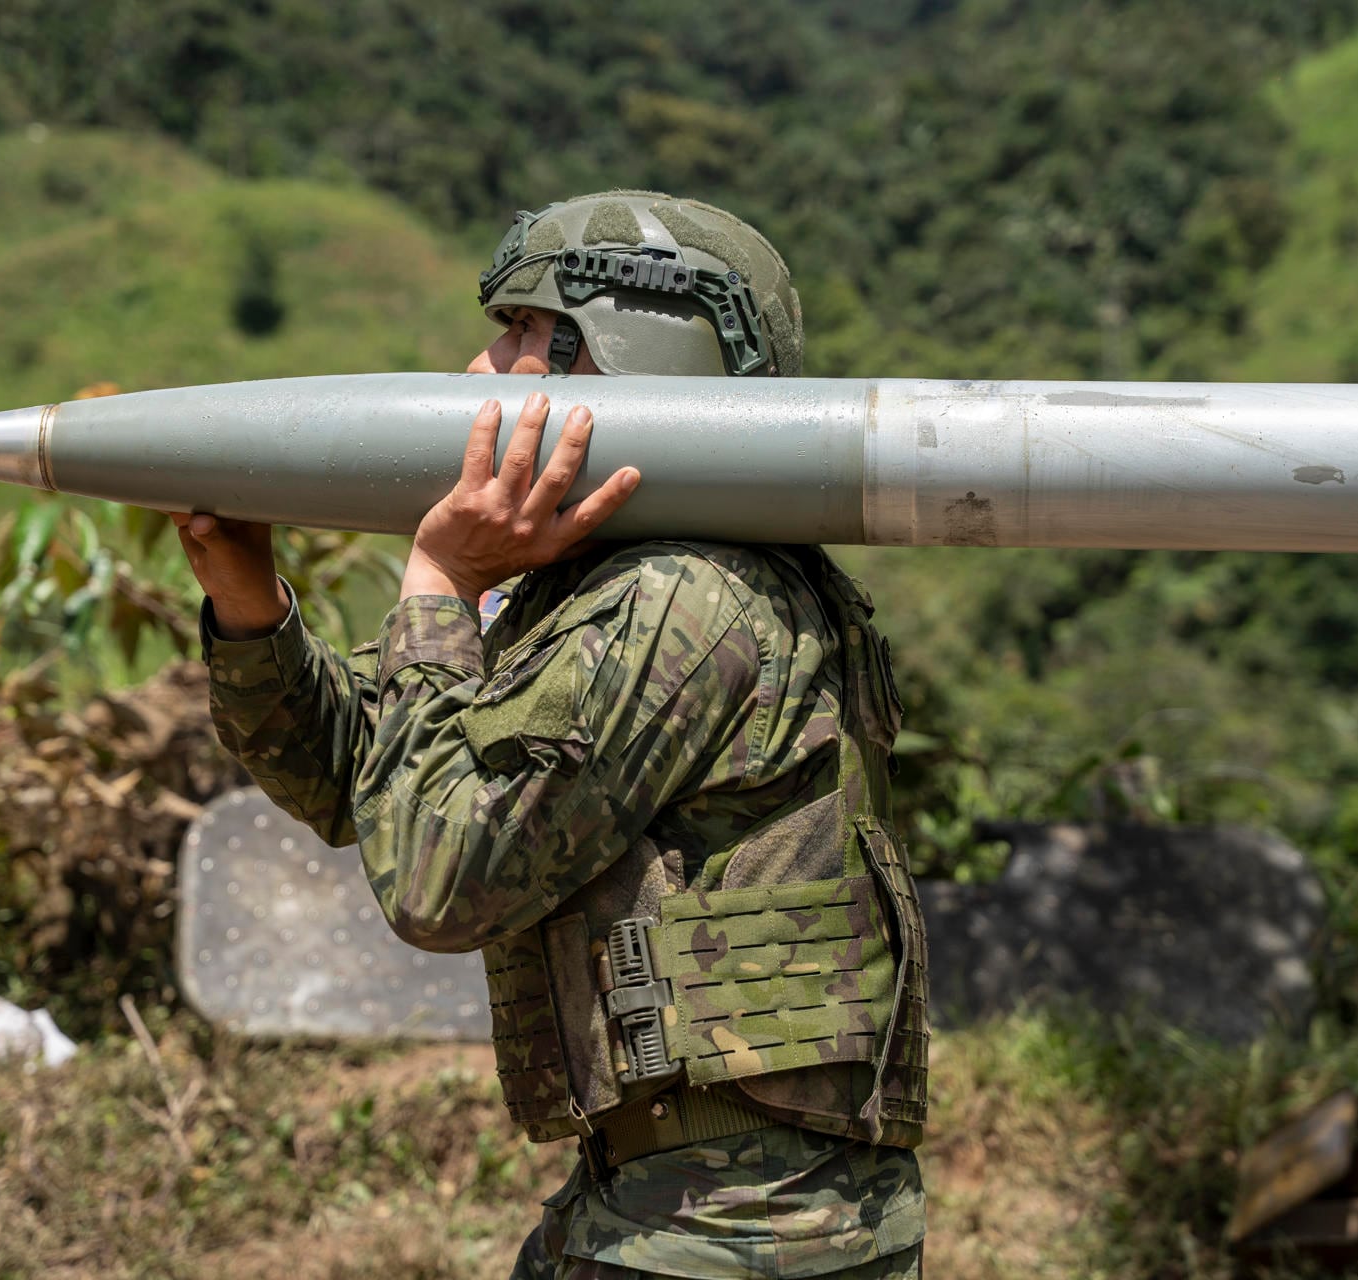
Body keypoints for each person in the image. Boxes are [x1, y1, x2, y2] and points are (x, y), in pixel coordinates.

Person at [172, 191, 930, 1279]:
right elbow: (384, 791)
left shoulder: (684, 599)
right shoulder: (613, 589)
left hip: (732, 1233)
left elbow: (439, 876)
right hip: (671, 1204)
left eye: (529, 334)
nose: (480, 372)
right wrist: (256, 617)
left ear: (633, 357)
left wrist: (440, 581)